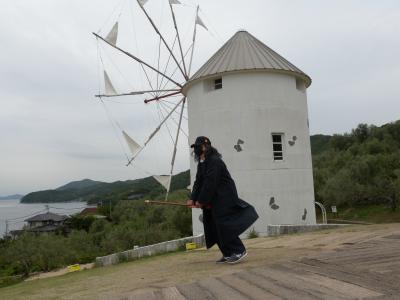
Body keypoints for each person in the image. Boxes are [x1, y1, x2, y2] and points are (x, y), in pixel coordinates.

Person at [187, 136, 259, 264]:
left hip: (224, 197)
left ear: (204, 147)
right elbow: (198, 182)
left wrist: (201, 200)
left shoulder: (214, 161)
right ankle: (228, 253)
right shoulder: (203, 163)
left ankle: (238, 250)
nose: (195, 150)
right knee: (213, 226)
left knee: (224, 224)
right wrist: (192, 198)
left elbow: (210, 183)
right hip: (213, 199)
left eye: (197, 147)